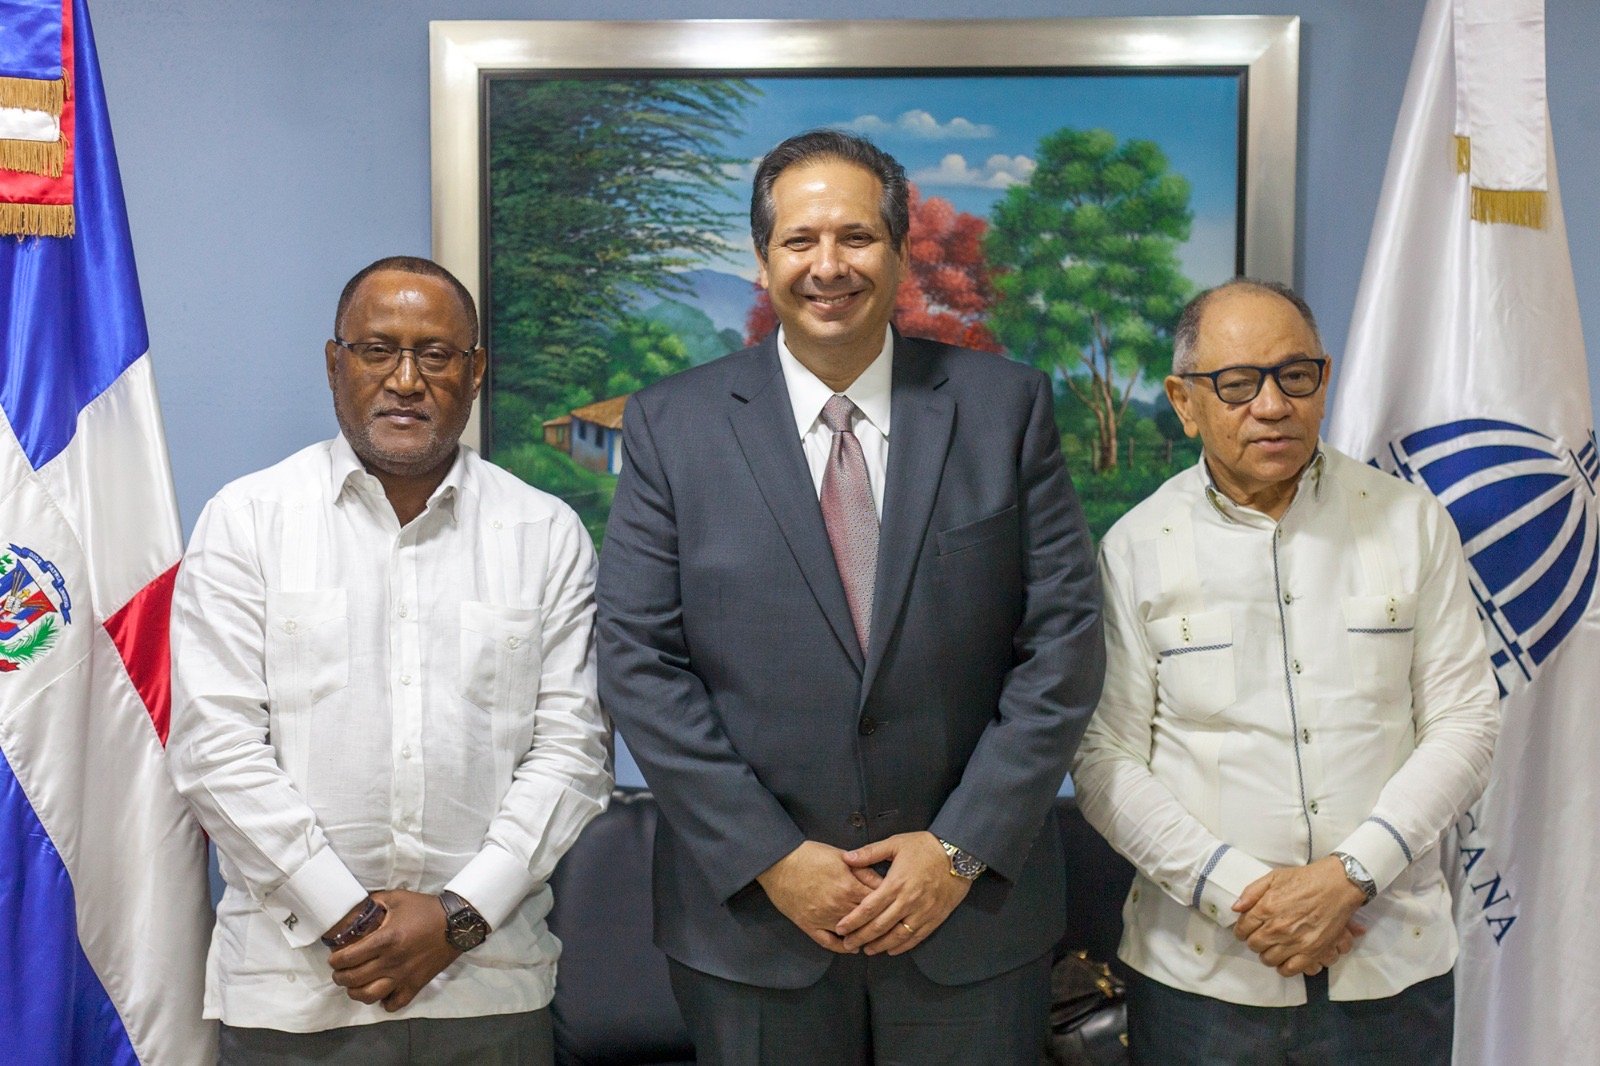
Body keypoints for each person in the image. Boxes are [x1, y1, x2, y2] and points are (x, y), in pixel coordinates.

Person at [595, 129, 1104, 1063]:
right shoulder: (672, 424)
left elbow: (1063, 644)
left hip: (971, 922)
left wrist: (958, 849)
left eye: (857, 237)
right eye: (800, 240)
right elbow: (638, 662)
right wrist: (771, 857)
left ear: (902, 251)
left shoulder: (1005, 408)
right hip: (754, 929)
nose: (828, 265)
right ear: (762, 260)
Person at [168, 256, 612, 1063]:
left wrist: (457, 919)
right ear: (334, 363)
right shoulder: (247, 520)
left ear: (475, 372)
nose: (406, 380)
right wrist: (349, 918)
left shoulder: (545, 535)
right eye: (378, 350)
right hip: (295, 991)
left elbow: (573, 754)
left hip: (489, 987)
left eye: (436, 355)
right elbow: (214, 750)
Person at [1072, 279, 1499, 1063]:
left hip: (1388, 960)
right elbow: (1104, 760)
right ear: (1184, 401)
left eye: (1294, 376)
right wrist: (1244, 896)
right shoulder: (1136, 546)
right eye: (1237, 384)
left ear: (1324, 382)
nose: (1272, 405)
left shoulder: (1410, 522)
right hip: (1202, 974)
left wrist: (1350, 876)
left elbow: (1465, 722)